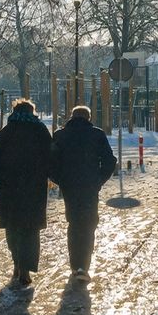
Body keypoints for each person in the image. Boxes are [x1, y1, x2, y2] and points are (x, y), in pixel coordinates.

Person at [0, 98, 52, 288]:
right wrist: (60, 178)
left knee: (13, 227)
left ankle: (18, 263)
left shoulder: (5, 133)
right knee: (31, 229)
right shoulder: (40, 131)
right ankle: (25, 268)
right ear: (32, 112)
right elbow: (52, 157)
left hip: (9, 188)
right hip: (34, 188)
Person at [49, 105, 117, 282]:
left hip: (70, 186)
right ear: (89, 117)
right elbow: (110, 161)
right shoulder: (97, 134)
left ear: (71, 117)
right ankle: (83, 267)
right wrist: (98, 180)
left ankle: (75, 265)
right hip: (89, 186)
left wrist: (61, 180)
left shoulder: (60, 135)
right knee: (89, 224)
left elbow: (50, 163)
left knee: (74, 223)